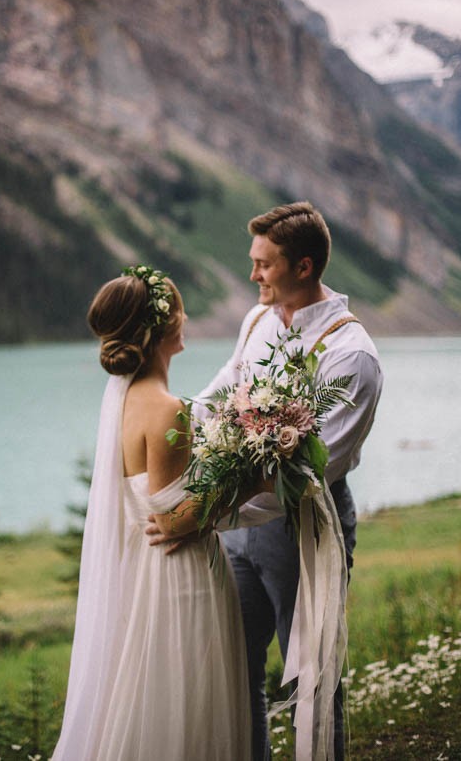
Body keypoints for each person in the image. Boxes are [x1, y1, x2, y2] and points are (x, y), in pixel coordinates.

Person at [52, 265, 274, 761]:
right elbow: (177, 516)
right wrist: (254, 479)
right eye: (177, 308)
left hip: (149, 568)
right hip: (181, 576)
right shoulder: (167, 408)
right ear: (160, 327)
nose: (187, 316)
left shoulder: (128, 399)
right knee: (190, 699)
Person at [192, 201, 383, 761]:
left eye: (264, 265)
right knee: (236, 669)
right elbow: (225, 390)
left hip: (305, 529)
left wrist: (208, 510)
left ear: (304, 267)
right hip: (235, 528)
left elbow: (315, 471)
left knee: (311, 678)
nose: (252, 275)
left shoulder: (353, 356)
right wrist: (170, 428)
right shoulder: (256, 320)